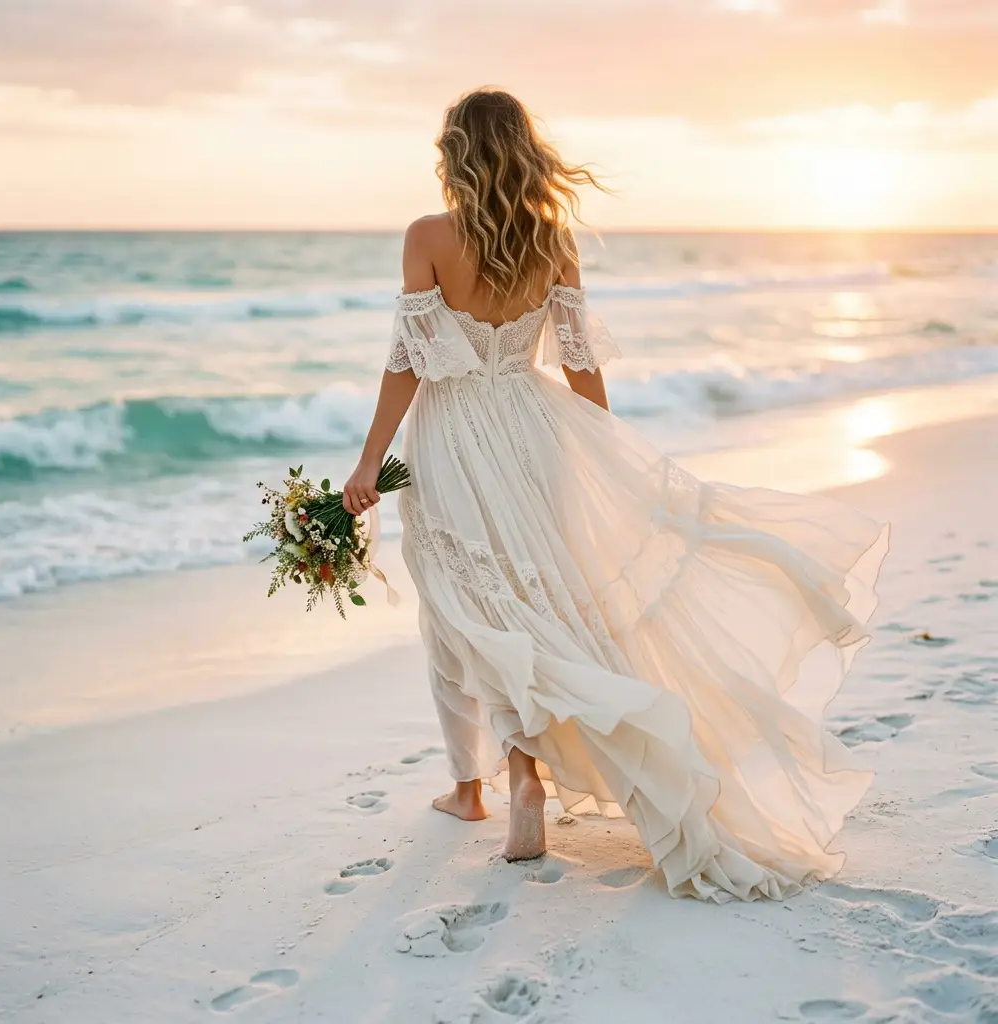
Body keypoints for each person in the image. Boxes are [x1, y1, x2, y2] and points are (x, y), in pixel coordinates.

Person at [342, 88, 888, 903]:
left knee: (467, 609)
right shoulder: (552, 239)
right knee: (533, 600)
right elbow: (577, 359)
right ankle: (511, 776)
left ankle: (487, 785)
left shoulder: (427, 237)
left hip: (454, 437)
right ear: (523, 150)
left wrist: (365, 466)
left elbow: (408, 363)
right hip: (535, 433)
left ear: (455, 152)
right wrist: (605, 455)